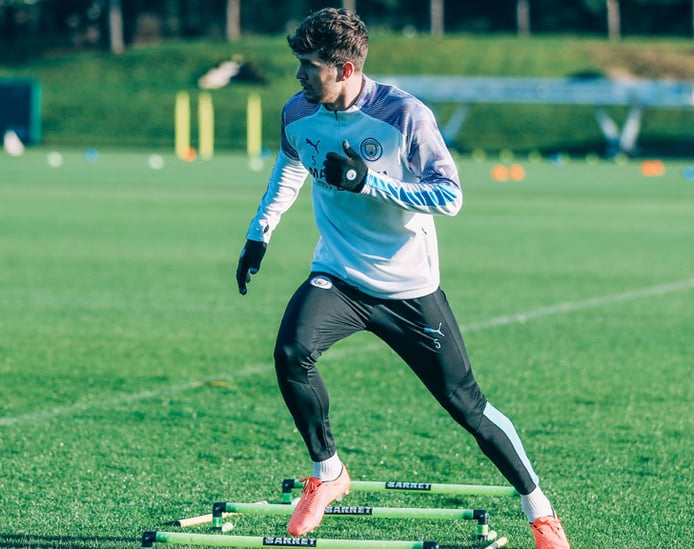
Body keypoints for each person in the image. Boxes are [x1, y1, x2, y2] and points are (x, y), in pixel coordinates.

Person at [235, 8, 570, 549]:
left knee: (469, 408)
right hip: (339, 278)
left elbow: (450, 196)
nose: (298, 75)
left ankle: (540, 512)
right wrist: (260, 233)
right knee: (291, 351)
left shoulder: (405, 115)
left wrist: (373, 184)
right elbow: (291, 164)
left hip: (409, 290)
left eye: (309, 65)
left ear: (344, 69)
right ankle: (327, 473)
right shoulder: (299, 110)